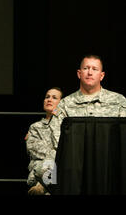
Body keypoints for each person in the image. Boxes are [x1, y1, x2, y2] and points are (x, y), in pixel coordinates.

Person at [37, 54, 126, 188]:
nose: (90, 72)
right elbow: (55, 147)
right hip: (74, 176)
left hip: (109, 174)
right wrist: (48, 184)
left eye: (94, 69)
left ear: (101, 76)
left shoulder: (119, 102)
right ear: (79, 73)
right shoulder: (64, 105)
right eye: (86, 68)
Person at [25, 87, 63, 195]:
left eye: (54, 98)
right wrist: (58, 154)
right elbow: (33, 149)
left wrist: (58, 114)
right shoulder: (35, 127)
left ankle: (43, 186)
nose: (49, 100)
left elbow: (67, 149)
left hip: (61, 176)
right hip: (39, 173)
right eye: (47, 97)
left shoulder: (66, 126)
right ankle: (43, 185)